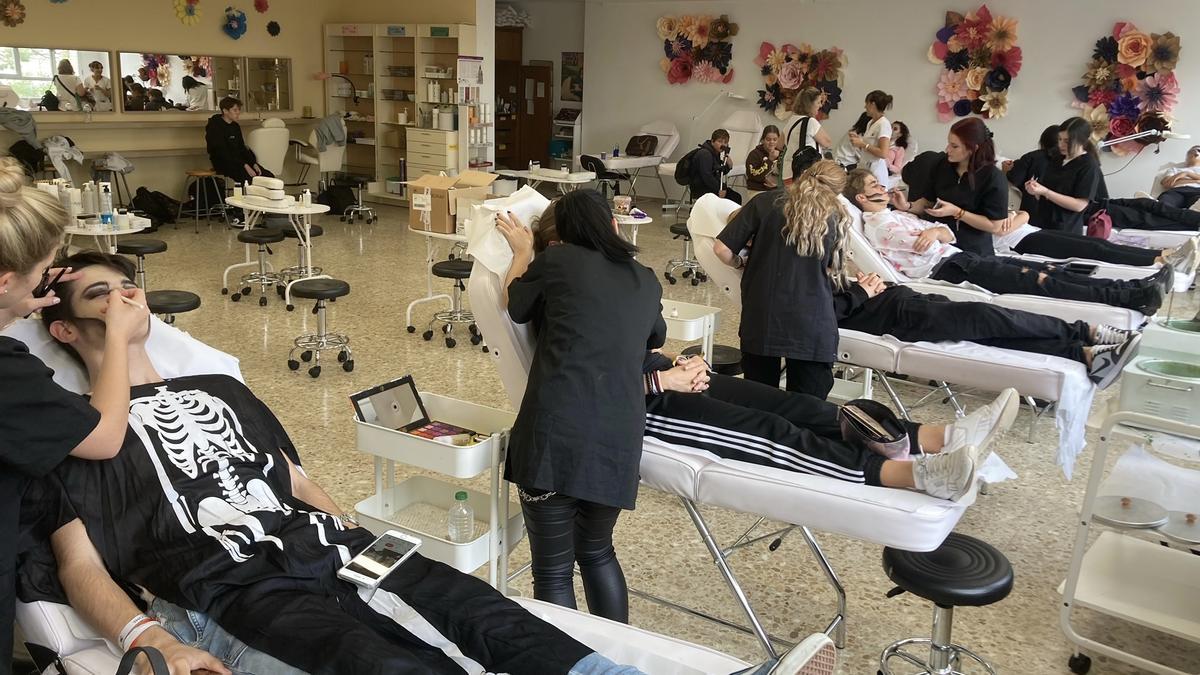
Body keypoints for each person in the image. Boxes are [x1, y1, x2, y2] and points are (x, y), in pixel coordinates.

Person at [21, 250, 718, 675]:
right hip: (228, 587)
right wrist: (151, 639)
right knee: (377, 663)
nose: (122, 300)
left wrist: (353, 533)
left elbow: (291, 478)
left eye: (126, 286)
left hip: (331, 548)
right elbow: (79, 565)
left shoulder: (221, 388)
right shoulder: (71, 433)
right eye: (98, 296)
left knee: (479, 609)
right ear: (62, 328)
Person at [715, 202, 1142, 390]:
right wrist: (861, 292)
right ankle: (1083, 332)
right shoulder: (769, 283)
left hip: (899, 299)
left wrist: (860, 284)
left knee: (989, 323)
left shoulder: (791, 263)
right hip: (897, 317)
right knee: (990, 321)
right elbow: (816, 315)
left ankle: (1084, 353)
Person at [0, 159, 149, 671]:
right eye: (45, 269)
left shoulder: (218, 383)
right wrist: (116, 337)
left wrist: (26, 292)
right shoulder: (11, 378)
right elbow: (106, 437)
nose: (119, 301)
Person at [496, 190, 665, 625]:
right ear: (611, 226)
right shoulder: (646, 279)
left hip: (555, 436)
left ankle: (569, 663)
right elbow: (655, 336)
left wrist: (523, 252)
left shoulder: (559, 261)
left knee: (553, 571)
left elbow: (514, 304)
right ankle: (616, 660)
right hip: (618, 440)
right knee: (597, 552)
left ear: (563, 236)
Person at [847, 169, 1169, 314]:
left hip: (960, 257)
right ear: (862, 197)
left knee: (1049, 274)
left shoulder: (896, 214)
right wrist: (934, 233)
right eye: (875, 184)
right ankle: (1126, 297)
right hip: (949, 268)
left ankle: (1131, 289)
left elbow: (946, 232)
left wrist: (936, 231)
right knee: (1039, 281)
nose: (883, 186)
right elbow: (930, 241)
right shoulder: (878, 225)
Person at [904, 150, 1196, 272]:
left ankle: (1163, 258)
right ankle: (1161, 259)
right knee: (1094, 249)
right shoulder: (937, 212)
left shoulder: (963, 191)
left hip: (1026, 230)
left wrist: (1016, 217)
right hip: (1018, 243)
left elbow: (1020, 214)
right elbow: (982, 228)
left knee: (1095, 245)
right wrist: (906, 208)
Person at [714, 160, 849, 399]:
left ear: (805, 174)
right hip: (811, 321)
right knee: (808, 408)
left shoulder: (765, 202)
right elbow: (832, 269)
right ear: (837, 190)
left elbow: (721, 248)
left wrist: (740, 263)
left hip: (763, 315)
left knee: (760, 401)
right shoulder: (835, 215)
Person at [902, 117, 1014, 256]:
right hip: (938, 244)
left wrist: (958, 212)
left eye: (954, 146)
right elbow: (927, 202)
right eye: (949, 143)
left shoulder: (993, 178)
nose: (947, 149)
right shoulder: (941, 165)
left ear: (973, 148)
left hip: (971, 250)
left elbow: (995, 225)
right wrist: (907, 206)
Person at [1024, 117, 1104, 233]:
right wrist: (1035, 190)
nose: (1061, 144)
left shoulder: (1089, 165)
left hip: (1066, 229)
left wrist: (1045, 192)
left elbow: (1079, 205)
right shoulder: (1057, 158)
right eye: (1060, 139)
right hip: (1042, 222)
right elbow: (1048, 192)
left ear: (1082, 141)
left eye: (1067, 141)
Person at [205, 96, 274, 184]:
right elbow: (222, 152)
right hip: (223, 162)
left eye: (238, 110)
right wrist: (244, 165)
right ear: (225, 111)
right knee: (250, 179)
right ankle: (246, 197)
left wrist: (253, 163)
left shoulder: (235, 126)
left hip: (240, 161)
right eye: (235, 110)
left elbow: (242, 147)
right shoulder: (214, 127)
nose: (238, 113)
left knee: (269, 177)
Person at [780, 87, 834, 184]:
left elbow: (779, 145)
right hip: (806, 174)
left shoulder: (791, 121)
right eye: (818, 102)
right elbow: (827, 142)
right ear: (809, 104)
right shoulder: (811, 122)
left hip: (788, 173)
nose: (820, 105)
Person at [1004, 125, 1060, 215]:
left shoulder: (1032, 157)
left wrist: (1006, 171)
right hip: (1058, 217)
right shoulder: (1069, 163)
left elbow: (1015, 178)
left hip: (1030, 214)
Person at [847, 90, 893, 186]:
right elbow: (868, 147)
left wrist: (863, 144)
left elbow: (883, 153)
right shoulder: (870, 123)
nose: (865, 107)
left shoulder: (883, 124)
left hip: (875, 170)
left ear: (872, 104)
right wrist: (859, 142)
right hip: (865, 167)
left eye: (866, 104)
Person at [688, 128, 742, 204]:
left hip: (710, 186)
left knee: (736, 197)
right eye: (719, 141)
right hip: (702, 189)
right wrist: (719, 189)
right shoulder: (705, 154)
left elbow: (717, 172)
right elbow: (707, 176)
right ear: (712, 141)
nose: (723, 145)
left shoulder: (715, 153)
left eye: (725, 142)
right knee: (734, 198)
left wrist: (728, 166)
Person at [1157, 145, 1200, 209]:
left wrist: (1186, 174)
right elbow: (1166, 183)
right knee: (1164, 204)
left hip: (1197, 192)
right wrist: (1195, 180)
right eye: (1194, 150)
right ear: (1187, 154)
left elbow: (1172, 182)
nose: (1197, 152)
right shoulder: (1174, 169)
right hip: (1176, 191)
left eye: (1199, 150)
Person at [745, 125, 782, 194]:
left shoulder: (781, 154)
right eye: (768, 139)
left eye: (775, 139)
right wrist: (770, 160)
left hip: (776, 190)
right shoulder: (754, 154)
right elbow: (754, 176)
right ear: (762, 140)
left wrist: (778, 185)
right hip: (757, 189)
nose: (772, 142)